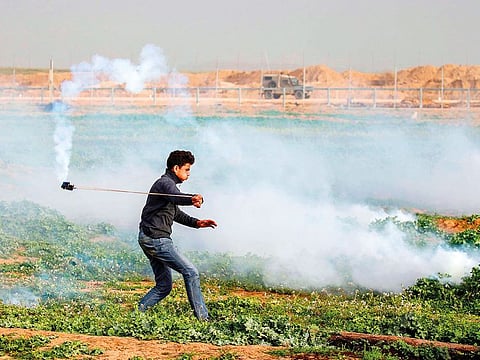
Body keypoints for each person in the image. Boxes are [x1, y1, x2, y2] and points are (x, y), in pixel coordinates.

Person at [138, 150, 217, 320]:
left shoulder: (167, 187)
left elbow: (176, 213)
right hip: (156, 239)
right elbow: (177, 197)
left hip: (149, 238)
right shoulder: (165, 184)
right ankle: (204, 319)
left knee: (164, 286)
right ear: (176, 168)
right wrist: (192, 199)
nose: (188, 174)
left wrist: (198, 223)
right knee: (191, 272)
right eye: (187, 169)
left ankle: (139, 312)